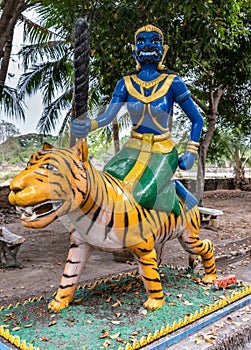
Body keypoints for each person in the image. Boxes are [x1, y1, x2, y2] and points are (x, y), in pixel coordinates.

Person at [71, 24, 204, 215]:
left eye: (154, 41)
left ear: (163, 50)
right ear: (134, 51)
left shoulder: (173, 82)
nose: (147, 45)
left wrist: (191, 152)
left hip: (162, 149)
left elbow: (197, 120)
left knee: (144, 195)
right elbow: (108, 116)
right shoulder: (125, 83)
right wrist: (89, 125)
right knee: (108, 180)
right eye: (141, 42)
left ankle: (176, 191)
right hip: (133, 146)